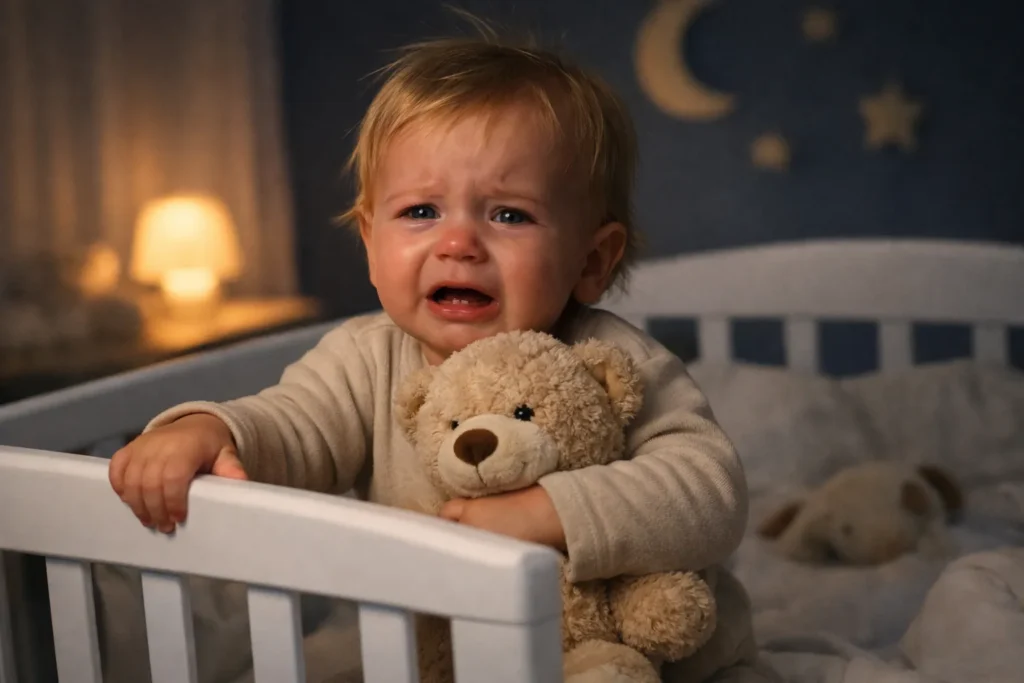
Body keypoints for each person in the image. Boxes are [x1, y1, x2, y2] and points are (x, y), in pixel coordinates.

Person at [106, 28, 761, 683]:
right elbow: (290, 423)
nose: (458, 243)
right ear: (370, 242)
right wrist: (210, 428)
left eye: (508, 215)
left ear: (591, 260)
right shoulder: (363, 361)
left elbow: (709, 488)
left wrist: (551, 513)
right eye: (421, 209)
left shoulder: (610, 358)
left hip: (649, 660)